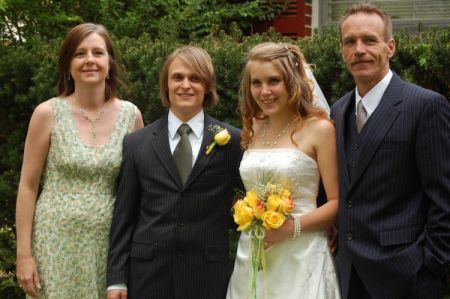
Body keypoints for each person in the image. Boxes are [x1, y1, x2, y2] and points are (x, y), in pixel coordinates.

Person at [15, 23, 144, 298]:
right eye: (79, 53)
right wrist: (24, 255)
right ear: (67, 64)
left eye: (98, 52)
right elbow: (27, 186)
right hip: (54, 241)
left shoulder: (131, 117)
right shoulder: (47, 113)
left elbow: (138, 190)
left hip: (108, 244)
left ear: (110, 62)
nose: (89, 60)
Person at [332, 3, 450, 299]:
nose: (359, 49)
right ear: (343, 50)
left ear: (390, 46)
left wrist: (430, 272)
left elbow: (444, 199)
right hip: (347, 275)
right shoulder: (337, 111)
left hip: (406, 275)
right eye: (350, 42)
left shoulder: (425, 106)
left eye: (369, 40)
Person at [106, 45, 243, 299]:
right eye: (178, 77)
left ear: (208, 86)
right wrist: (116, 279)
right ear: (166, 85)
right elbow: (124, 215)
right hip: (148, 273)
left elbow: (249, 201)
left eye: (195, 78)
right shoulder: (137, 143)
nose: (186, 85)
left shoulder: (232, 141)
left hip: (207, 274)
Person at [226, 42, 341, 299]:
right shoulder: (253, 126)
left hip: (302, 252)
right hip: (253, 252)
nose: (264, 91)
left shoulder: (320, 129)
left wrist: (290, 228)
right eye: (256, 83)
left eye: (273, 81)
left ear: (291, 82)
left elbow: (336, 202)